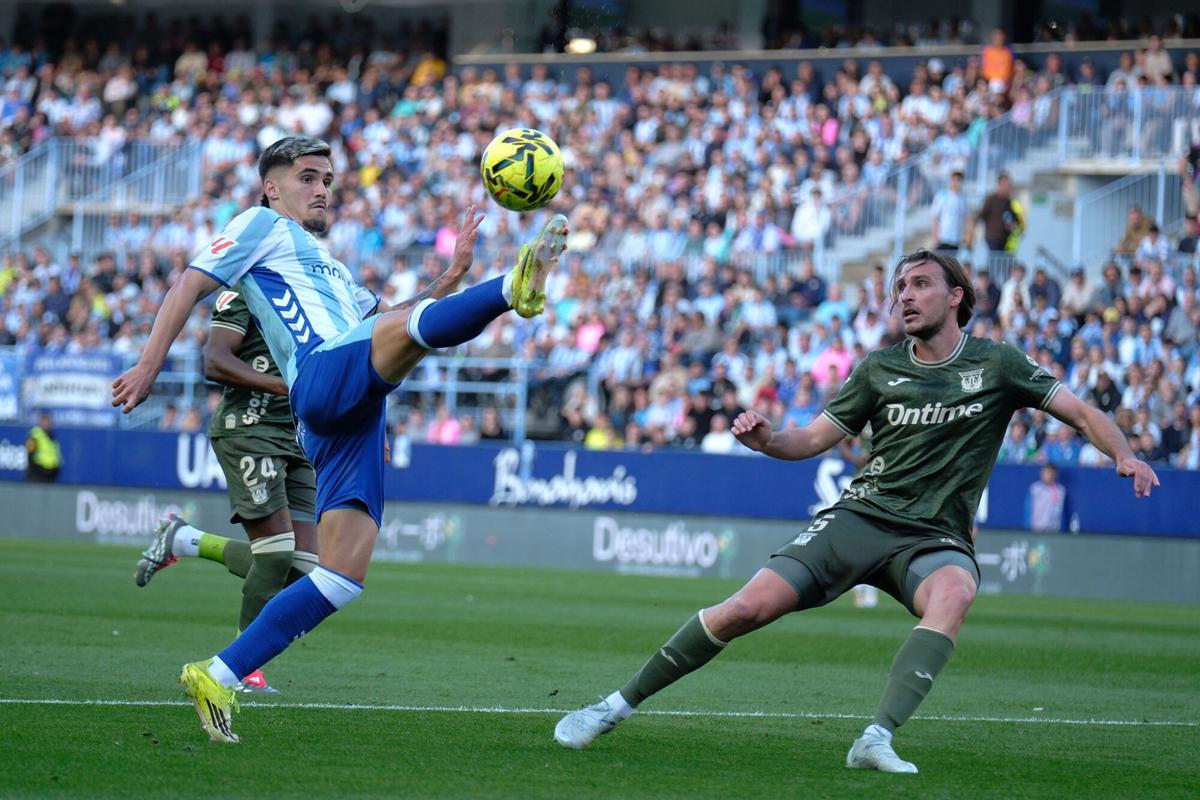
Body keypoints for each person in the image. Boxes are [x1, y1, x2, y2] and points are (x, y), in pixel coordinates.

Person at [553, 249, 1158, 773]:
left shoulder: (998, 363)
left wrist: (1124, 454)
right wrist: (768, 439)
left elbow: (1082, 413)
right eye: (900, 287)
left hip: (934, 537)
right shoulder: (879, 368)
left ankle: (875, 739)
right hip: (859, 520)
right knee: (744, 608)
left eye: (920, 284)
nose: (905, 296)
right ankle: (612, 706)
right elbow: (811, 440)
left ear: (956, 295)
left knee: (955, 592)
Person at [111, 136, 568, 743]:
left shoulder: (332, 270)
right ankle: (512, 288)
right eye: (307, 177)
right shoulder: (259, 225)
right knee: (404, 334)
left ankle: (217, 675)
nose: (322, 188)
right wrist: (148, 364)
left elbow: (393, 320)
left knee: (340, 575)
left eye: (327, 179)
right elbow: (187, 286)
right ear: (272, 187)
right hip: (321, 373)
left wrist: (453, 275)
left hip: (349, 410)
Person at [133, 289, 322, 694]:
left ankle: (183, 539)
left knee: (304, 568)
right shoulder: (245, 291)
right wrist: (284, 386)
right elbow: (215, 361)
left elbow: (384, 319)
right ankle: (239, 668)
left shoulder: (317, 291)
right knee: (276, 555)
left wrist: (445, 284)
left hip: (298, 437)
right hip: (249, 430)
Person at [929, 171, 970, 253]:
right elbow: (935, 217)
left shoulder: (963, 198)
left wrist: (969, 235)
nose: (956, 183)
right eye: (954, 180)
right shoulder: (942, 195)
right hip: (943, 237)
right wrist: (935, 237)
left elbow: (967, 217)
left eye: (958, 180)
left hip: (956, 239)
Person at [1026, 463, 1066, 532]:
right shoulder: (1035, 488)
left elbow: (1062, 512)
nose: (1049, 476)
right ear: (1042, 474)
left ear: (1056, 475)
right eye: (1047, 473)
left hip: (1054, 530)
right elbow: (1028, 510)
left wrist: (1061, 528)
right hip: (1036, 528)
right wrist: (1028, 528)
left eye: (1052, 474)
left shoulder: (1061, 490)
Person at [25, 411, 61, 482]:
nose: (46, 423)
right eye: (44, 421)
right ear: (40, 422)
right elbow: (30, 454)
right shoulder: (34, 435)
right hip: (37, 475)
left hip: (50, 475)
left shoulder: (52, 436)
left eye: (48, 421)